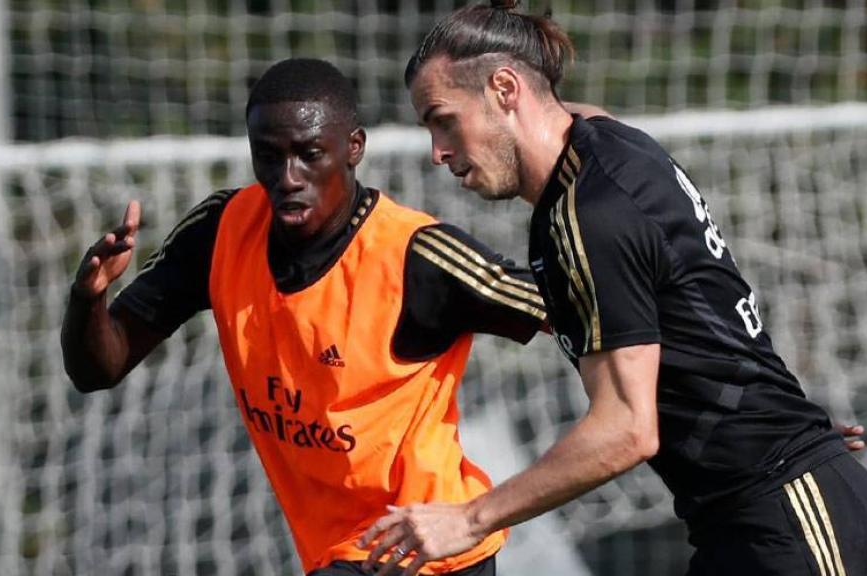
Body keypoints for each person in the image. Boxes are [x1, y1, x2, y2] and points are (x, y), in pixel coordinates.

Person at [359, 2, 867, 575]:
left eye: (444, 119)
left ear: (504, 88)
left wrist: (468, 520)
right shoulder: (605, 142)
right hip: (756, 515)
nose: (438, 152)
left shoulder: (592, 215)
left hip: (790, 518)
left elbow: (626, 430)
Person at [61, 57, 559, 576]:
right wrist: (87, 299)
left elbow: (566, 306)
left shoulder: (415, 256)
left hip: (425, 551)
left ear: (354, 148)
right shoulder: (222, 232)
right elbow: (98, 368)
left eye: (309, 154)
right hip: (337, 551)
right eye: (269, 158)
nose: (288, 177)